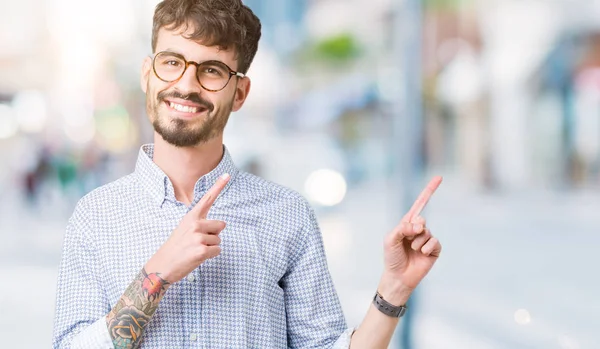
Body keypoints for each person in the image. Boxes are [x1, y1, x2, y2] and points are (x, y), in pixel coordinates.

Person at [52, 0, 443, 348]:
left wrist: (394, 288)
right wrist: (157, 274)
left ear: (239, 93)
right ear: (147, 74)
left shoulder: (287, 214)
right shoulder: (95, 216)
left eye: (211, 70)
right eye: (171, 62)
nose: (186, 85)